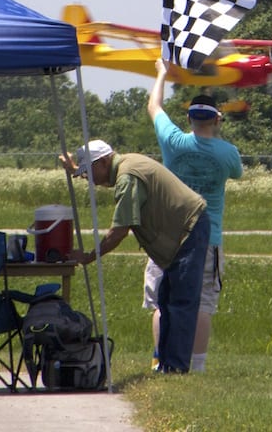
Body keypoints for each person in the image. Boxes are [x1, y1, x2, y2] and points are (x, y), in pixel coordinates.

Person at [63, 139, 210, 373]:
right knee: (168, 299)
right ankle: (168, 365)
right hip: (184, 230)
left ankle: (176, 367)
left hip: (188, 229)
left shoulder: (127, 177)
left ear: (102, 162)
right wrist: (75, 169)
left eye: (88, 171)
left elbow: (120, 230)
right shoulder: (127, 165)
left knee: (181, 302)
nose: (89, 179)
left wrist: (89, 256)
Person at [145, 57, 243, 372]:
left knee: (163, 302)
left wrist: (161, 74)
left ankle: (159, 360)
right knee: (201, 304)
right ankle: (196, 366)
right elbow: (237, 173)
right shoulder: (228, 154)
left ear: (188, 119)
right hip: (208, 237)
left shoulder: (174, 142)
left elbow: (154, 108)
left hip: (167, 234)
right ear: (217, 121)